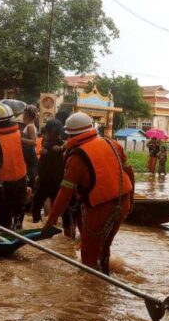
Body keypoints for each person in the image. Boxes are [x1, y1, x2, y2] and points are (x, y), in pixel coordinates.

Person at [40, 112, 134, 274]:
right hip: (122, 203)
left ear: (70, 134)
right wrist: (131, 200)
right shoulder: (112, 143)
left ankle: (91, 291)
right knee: (104, 246)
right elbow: (130, 172)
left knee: (88, 254)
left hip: (99, 209)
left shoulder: (76, 158)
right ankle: (105, 274)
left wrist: (50, 221)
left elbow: (65, 193)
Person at [0, 104, 27, 230]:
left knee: (3, 218)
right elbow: (30, 158)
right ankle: (18, 230)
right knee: (18, 214)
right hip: (21, 180)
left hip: (2, 184)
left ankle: (3, 238)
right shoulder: (21, 135)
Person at [32, 119, 65, 223]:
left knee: (57, 208)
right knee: (36, 206)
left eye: (48, 132)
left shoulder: (63, 145)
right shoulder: (46, 143)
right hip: (44, 180)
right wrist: (38, 175)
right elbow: (42, 162)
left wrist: (60, 149)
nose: (46, 134)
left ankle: (55, 226)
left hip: (56, 181)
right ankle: (37, 225)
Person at [20, 104, 40, 188]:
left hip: (29, 155)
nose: (22, 116)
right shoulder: (30, 126)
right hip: (29, 154)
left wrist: (20, 139)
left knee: (29, 174)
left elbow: (34, 142)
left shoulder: (30, 126)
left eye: (23, 114)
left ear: (27, 115)